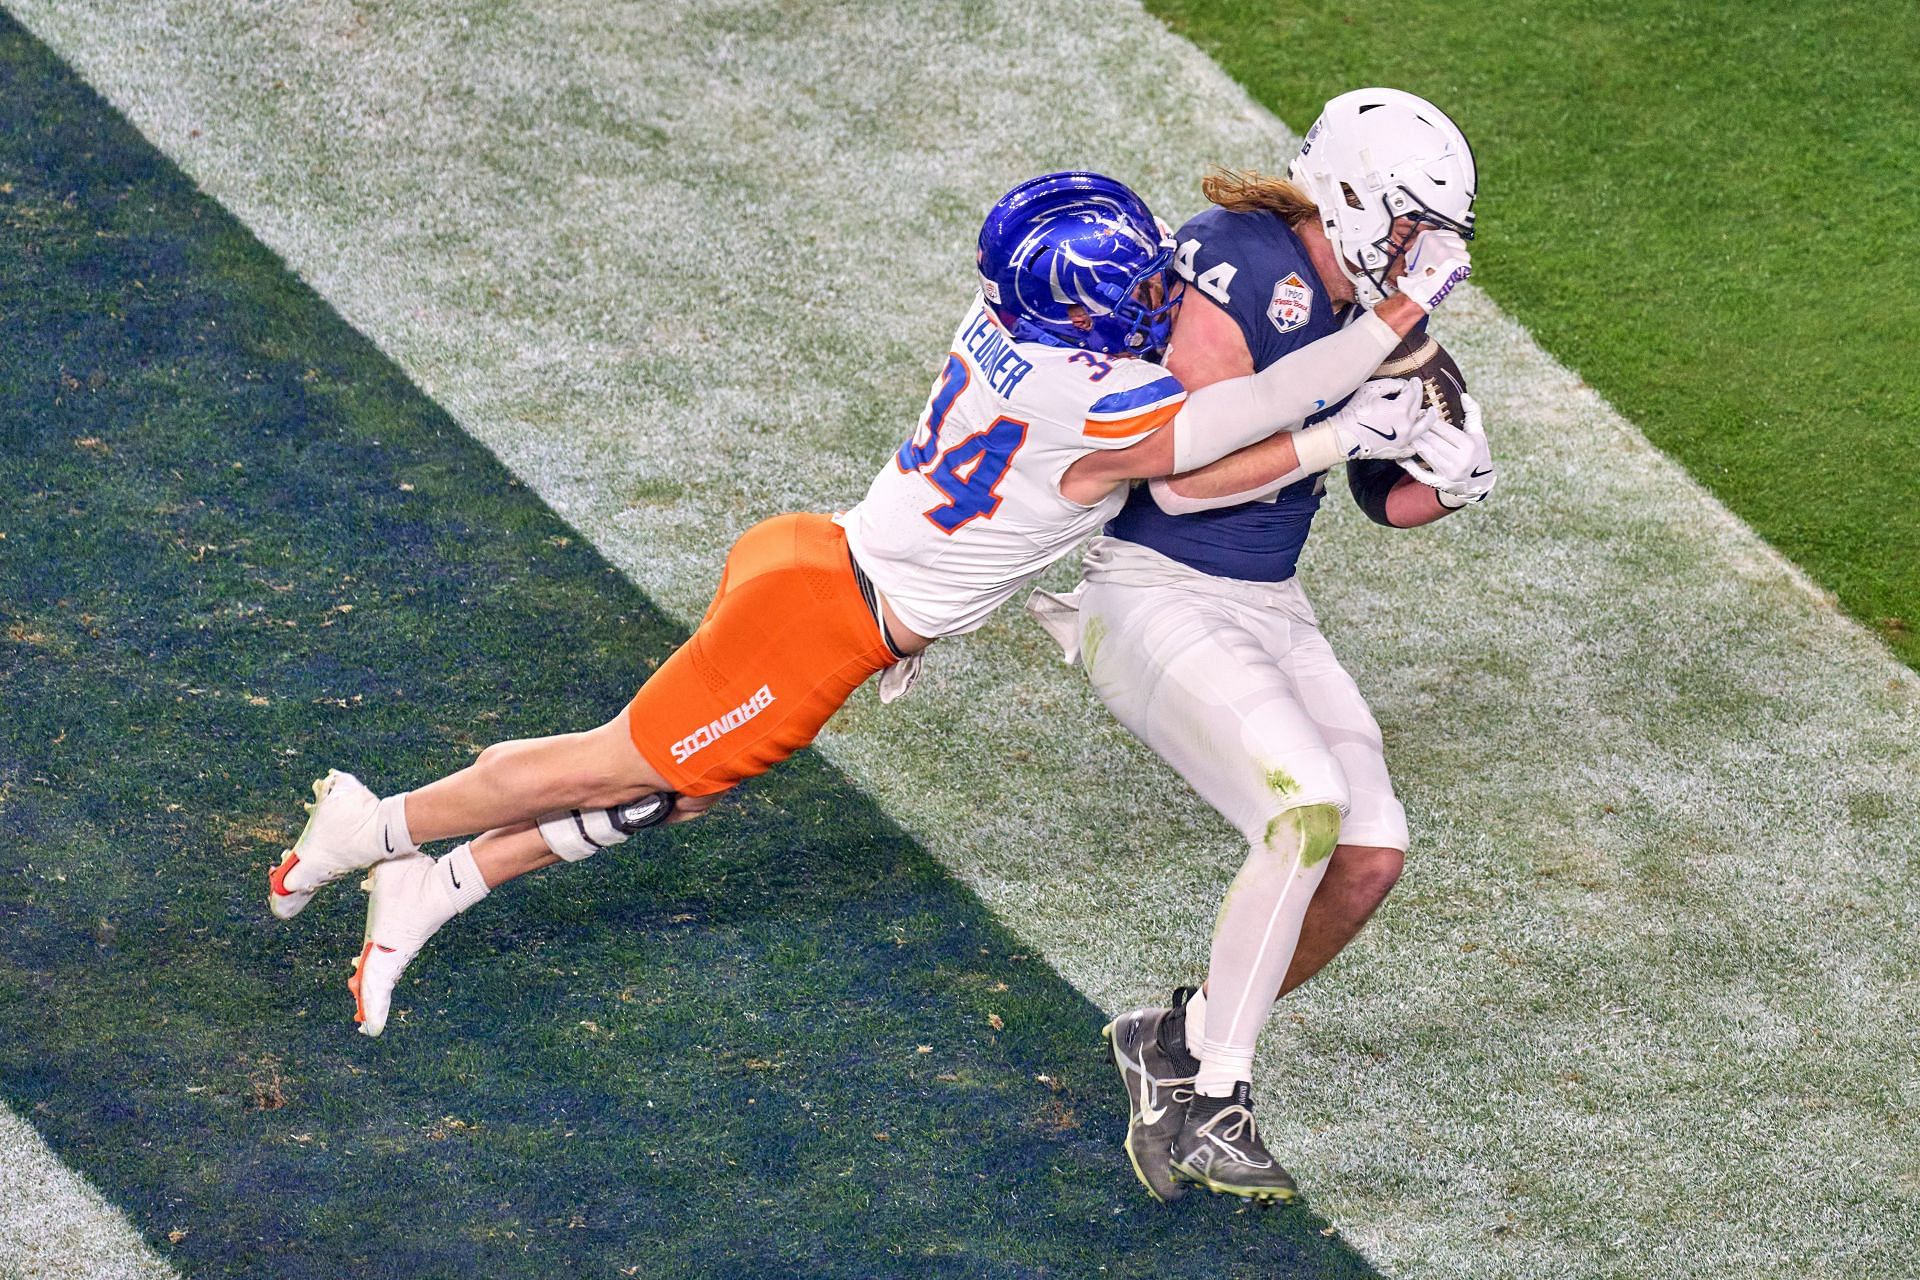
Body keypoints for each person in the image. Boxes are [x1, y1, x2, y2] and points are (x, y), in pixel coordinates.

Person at [266, 170, 1458, 1037]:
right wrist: (1382, 356)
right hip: (827, 617)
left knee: (658, 794)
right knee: (610, 770)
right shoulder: (1093, 404)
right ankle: (374, 832)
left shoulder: (1009, 326)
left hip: (832, 565)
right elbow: (1236, 422)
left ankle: (436, 883)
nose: (1158, 293)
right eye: (1136, 282)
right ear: (1088, 306)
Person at [1040, 88, 1493, 1204]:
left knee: (1370, 852)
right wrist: (1339, 427)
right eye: (1406, 226)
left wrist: (1456, 479)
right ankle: (1214, 1096)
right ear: (1345, 194)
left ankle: (1176, 1037)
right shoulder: (1232, 264)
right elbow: (1180, 484)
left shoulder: (1376, 311)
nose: (1418, 255)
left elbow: (1386, 497)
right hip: (1151, 587)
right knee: (1304, 809)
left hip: (1266, 599)